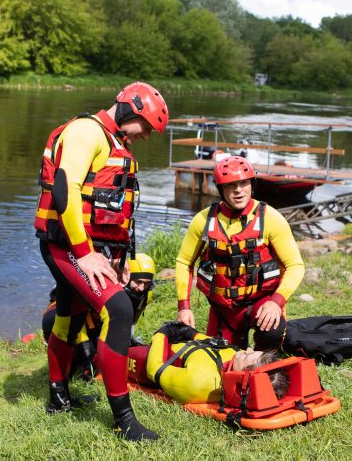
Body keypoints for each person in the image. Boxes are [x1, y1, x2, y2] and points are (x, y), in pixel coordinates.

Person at [34, 82, 168, 441]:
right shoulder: (86, 131)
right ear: (130, 108)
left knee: (70, 318)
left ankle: (58, 398)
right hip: (65, 245)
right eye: (147, 127)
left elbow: (115, 209)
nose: (147, 136)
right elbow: (65, 189)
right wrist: (84, 253)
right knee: (120, 310)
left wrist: (120, 258)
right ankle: (124, 421)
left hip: (87, 248)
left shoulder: (114, 142)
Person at [175, 156, 305, 350]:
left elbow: (295, 265)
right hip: (223, 309)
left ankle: (263, 354)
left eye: (243, 183)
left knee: (272, 332)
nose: (238, 190)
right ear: (221, 189)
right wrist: (184, 307)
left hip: (260, 303)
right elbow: (184, 262)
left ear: (251, 184)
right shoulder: (203, 220)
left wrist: (276, 302)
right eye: (230, 185)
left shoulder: (271, 218)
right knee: (219, 359)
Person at [42, 253, 156, 380]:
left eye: (147, 283)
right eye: (138, 281)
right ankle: (71, 361)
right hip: (69, 316)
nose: (141, 288)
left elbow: (130, 323)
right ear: (127, 276)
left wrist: (127, 343)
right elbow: (78, 317)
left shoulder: (145, 295)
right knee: (83, 355)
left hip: (95, 323)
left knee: (103, 355)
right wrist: (86, 352)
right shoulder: (103, 282)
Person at [131, 321, 289, 404]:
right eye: (252, 351)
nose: (247, 349)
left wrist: (161, 334)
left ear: (242, 377)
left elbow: (154, 369)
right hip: (178, 347)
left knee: (118, 349)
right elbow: (214, 346)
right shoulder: (234, 361)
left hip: (146, 360)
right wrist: (192, 334)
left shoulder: (199, 383)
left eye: (248, 356)